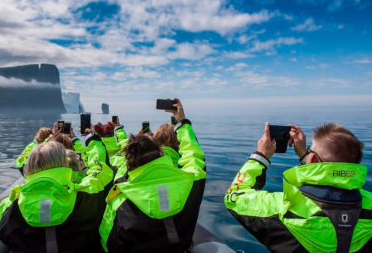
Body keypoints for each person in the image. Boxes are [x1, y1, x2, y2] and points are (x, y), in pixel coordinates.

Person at [225, 122, 372, 252]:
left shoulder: (283, 208)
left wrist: (260, 156)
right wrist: (306, 156)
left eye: (310, 151)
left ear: (313, 159)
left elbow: (234, 196)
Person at [99, 98, 206, 252]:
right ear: (161, 153)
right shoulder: (191, 181)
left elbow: (108, 242)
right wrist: (182, 121)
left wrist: (117, 131)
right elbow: (193, 155)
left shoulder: (120, 199)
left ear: (128, 161)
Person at [0, 138, 114, 252]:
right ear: (66, 164)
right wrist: (92, 140)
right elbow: (101, 169)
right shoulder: (88, 196)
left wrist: (38, 140)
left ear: (28, 167)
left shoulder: (8, 207)